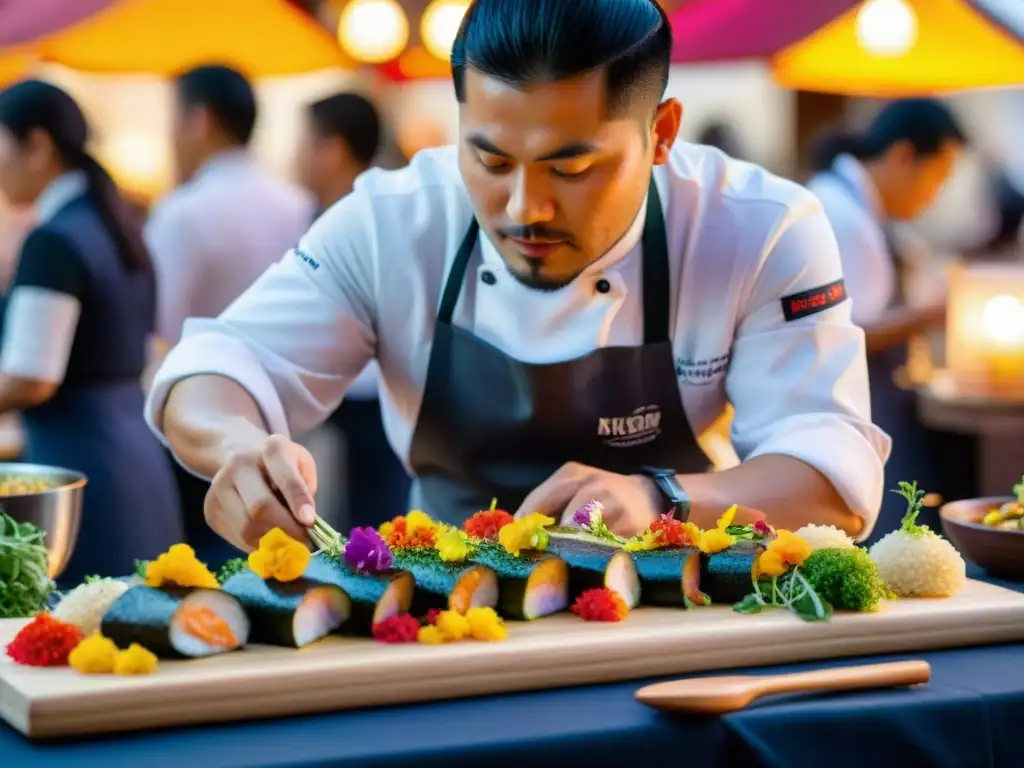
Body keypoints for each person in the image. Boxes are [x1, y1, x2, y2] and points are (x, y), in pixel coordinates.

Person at [145, 0, 890, 555]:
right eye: (492, 161)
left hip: (682, 609)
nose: (524, 207)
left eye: (571, 167)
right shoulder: (393, 220)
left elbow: (834, 474)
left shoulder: (760, 226)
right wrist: (237, 443)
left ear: (660, 133)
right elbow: (217, 366)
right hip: (436, 607)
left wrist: (661, 498)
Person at [0, 80, 183, 584]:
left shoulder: (53, 239)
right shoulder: (114, 224)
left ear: (36, 145)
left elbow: (31, 377)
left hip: (77, 468)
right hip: (136, 459)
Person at [145, 64, 312, 564]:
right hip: (290, 417)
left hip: (198, 418)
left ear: (200, 120)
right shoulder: (296, 202)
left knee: (201, 561)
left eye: (173, 119)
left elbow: (158, 328)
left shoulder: (183, 210)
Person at [807, 98, 967, 539]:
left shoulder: (843, 200)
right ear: (903, 156)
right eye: (939, 176)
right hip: (842, 412)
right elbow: (849, 334)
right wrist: (934, 312)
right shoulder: (844, 215)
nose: (936, 193)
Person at [295, 92, 412, 527]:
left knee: (375, 520)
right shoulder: (325, 211)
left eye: (305, 144)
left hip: (371, 393)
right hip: (348, 397)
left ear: (334, 150)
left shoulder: (376, 215)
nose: (298, 157)